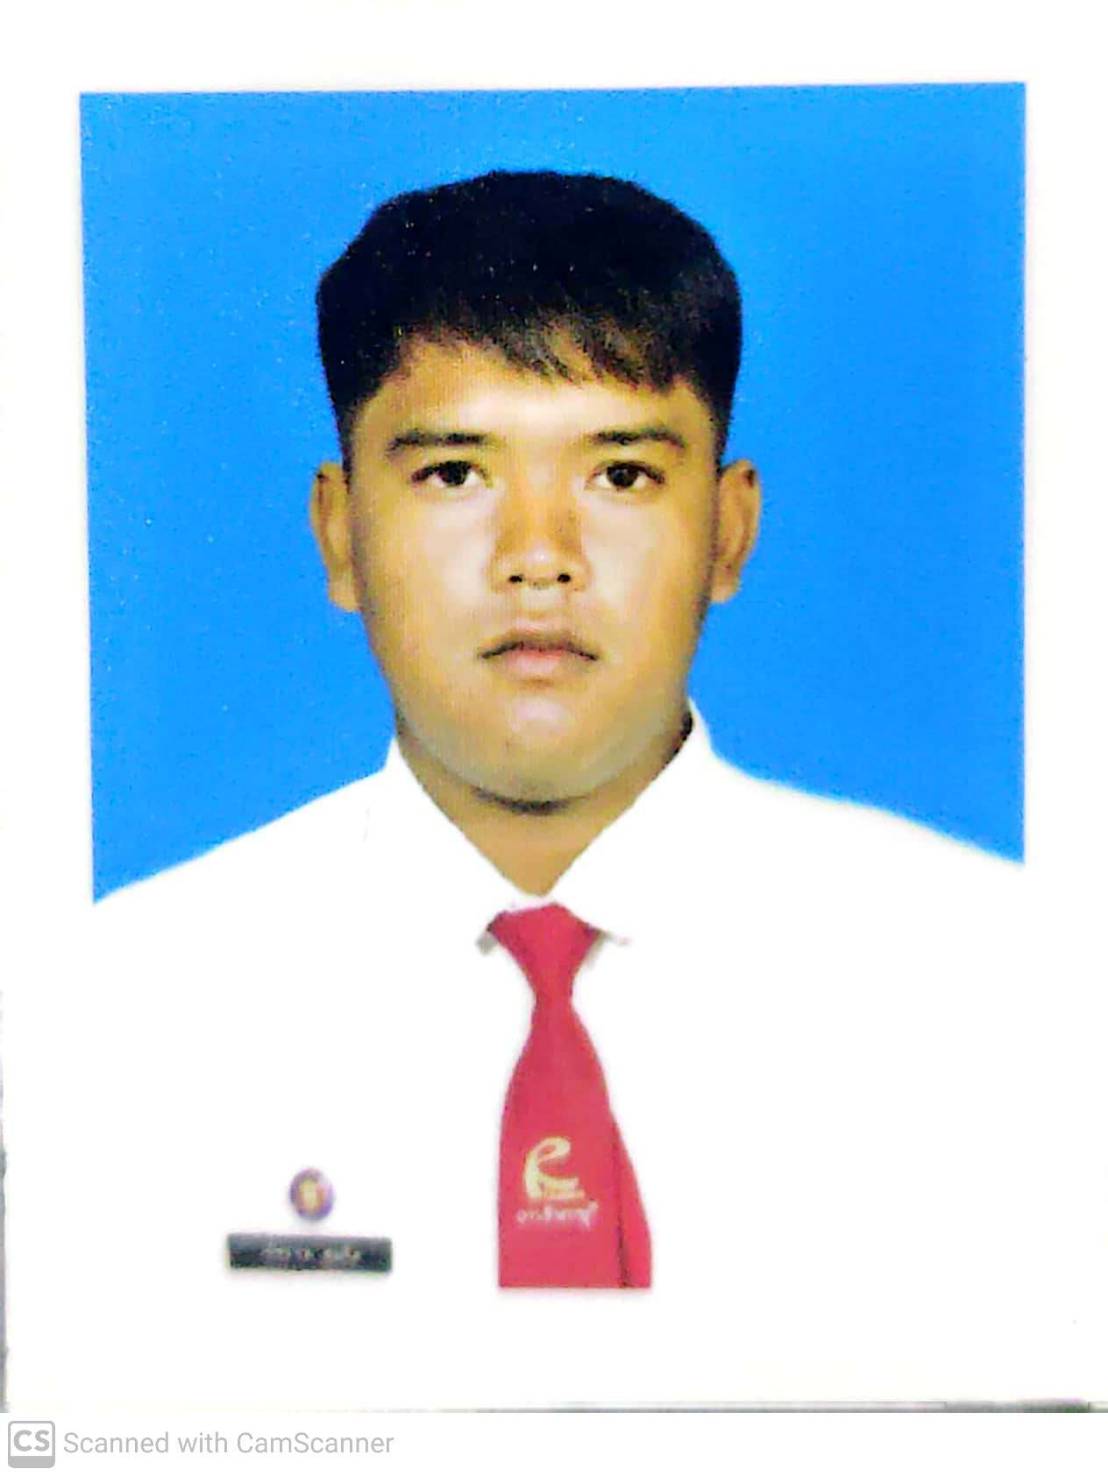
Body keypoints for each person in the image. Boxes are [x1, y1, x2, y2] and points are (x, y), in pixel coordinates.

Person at [6, 171, 1098, 1410]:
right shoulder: (113, 1012)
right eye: (453, 475)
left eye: (619, 476)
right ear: (340, 533)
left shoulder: (1012, 985)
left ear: (729, 530)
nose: (538, 557)